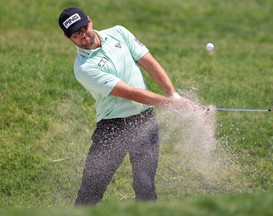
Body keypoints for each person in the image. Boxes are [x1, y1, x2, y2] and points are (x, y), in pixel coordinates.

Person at [58, 7, 196, 206]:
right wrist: (172, 104)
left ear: (90, 21)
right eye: (75, 34)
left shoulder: (119, 33)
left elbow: (149, 62)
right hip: (112, 128)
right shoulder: (84, 68)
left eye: (83, 27)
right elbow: (129, 92)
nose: (83, 35)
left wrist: (173, 94)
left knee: (145, 187)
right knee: (91, 190)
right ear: (67, 37)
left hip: (144, 120)